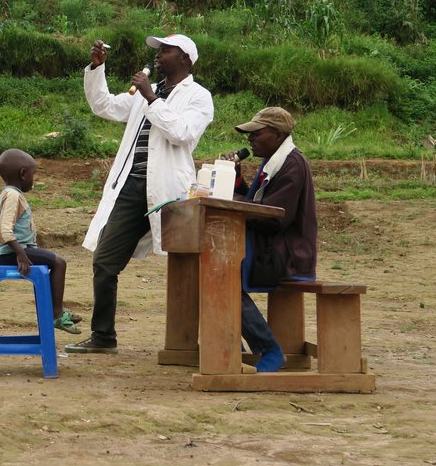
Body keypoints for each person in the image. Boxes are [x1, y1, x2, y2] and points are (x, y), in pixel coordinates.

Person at [66, 34, 214, 354]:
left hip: (170, 193)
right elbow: (103, 105)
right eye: (157, 51)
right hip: (132, 188)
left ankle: (202, 341)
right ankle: (103, 336)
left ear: (185, 59)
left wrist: (151, 99)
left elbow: (181, 134)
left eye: (166, 50)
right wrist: (96, 68)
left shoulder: (198, 97)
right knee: (105, 261)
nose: (158, 55)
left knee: (188, 266)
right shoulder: (147, 92)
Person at [229, 107, 317, 372]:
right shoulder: (274, 161)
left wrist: (230, 201)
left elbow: (273, 217)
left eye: (256, 133)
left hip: (286, 252)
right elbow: (258, 202)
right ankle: (234, 345)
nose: (250, 139)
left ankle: (268, 349)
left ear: (278, 135)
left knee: (222, 280)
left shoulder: (292, 165)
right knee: (211, 271)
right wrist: (235, 180)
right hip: (268, 245)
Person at [0, 148, 81, 333]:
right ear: (23, 174)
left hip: (7, 253)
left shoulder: (5, 195)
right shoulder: (14, 196)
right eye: (33, 174)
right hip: (13, 253)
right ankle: (56, 314)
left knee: (48, 266)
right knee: (59, 263)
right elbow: (3, 229)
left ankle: (55, 309)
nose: (33, 179)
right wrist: (21, 254)